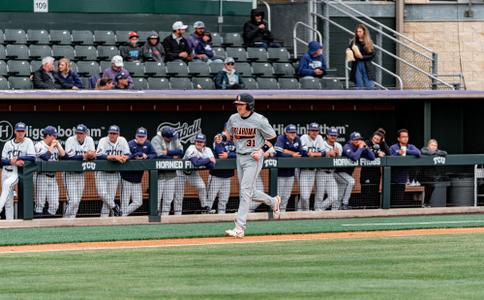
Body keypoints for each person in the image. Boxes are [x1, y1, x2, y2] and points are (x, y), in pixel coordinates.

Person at [224, 93, 281, 238]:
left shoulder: (259, 120)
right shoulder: (233, 118)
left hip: (253, 158)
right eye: (237, 104)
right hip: (239, 156)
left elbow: (272, 138)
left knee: (245, 191)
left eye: (241, 105)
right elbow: (228, 133)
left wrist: (262, 151)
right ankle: (274, 201)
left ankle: (239, 227)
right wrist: (222, 137)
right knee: (250, 191)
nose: (238, 107)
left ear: (249, 106)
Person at [0, 122, 35, 220]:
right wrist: (12, 162)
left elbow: (32, 157)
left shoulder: (28, 141)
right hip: (5, 171)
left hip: (15, 172)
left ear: (25, 132)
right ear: (15, 131)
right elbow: (2, 161)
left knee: (7, 184)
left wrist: (19, 157)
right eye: (19, 131)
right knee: (8, 200)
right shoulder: (8, 144)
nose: (20, 133)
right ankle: (9, 222)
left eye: (22, 131)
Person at [120, 128, 157, 216]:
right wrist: (134, 156)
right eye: (139, 136)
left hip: (137, 179)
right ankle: (121, 218)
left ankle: (121, 214)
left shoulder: (148, 144)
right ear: (136, 136)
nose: (141, 138)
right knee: (124, 202)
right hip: (126, 178)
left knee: (138, 202)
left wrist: (146, 156)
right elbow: (125, 156)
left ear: (146, 137)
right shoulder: (130, 144)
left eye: (143, 136)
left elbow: (155, 154)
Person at [95, 125, 130, 217]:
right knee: (102, 193)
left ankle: (104, 220)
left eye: (114, 133)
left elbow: (128, 154)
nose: (112, 135)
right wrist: (114, 157)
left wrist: (124, 157)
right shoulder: (103, 140)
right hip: (102, 173)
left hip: (115, 173)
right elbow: (98, 156)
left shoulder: (122, 140)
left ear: (118, 134)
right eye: (110, 133)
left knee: (109, 199)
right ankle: (115, 207)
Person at [63, 124, 96, 218]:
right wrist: (84, 156)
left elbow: (92, 155)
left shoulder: (89, 140)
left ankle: (72, 221)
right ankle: (65, 219)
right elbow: (69, 157)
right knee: (73, 201)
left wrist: (89, 155)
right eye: (77, 133)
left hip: (81, 174)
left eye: (81, 133)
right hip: (69, 174)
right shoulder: (70, 140)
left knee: (77, 200)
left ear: (85, 134)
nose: (79, 135)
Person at [151, 127, 184, 215]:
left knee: (168, 199)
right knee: (157, 198)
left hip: (171, 173)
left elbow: (181, 151)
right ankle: (155, 217)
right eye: (169, 138)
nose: (171, 139)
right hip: (159, 174)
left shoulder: (174, 137)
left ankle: (165, 218)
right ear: (164, 137)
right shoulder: (156, 139)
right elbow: (157, 155)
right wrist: (172, 156)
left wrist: (168, 152)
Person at [34, 126, 65, 216]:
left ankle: (48, 225)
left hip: (53, 178)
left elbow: (63, 154)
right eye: (54, 136)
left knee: (55, 205)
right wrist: (52, 146)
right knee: (39, 205)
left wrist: (58, 145)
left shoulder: (55, 145)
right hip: (41, 177)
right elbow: (45, 157)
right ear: (47, 135)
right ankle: (38, 226)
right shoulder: (39, 145)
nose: (55, 138)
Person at [340, 132, 376, 210]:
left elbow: (372, 157)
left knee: (338, 196)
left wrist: (366, 147)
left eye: (359, 139)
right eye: (356, 139)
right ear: (351, 140)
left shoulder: (360, 147)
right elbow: (354, 158)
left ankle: (338, 209)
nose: (358, 141)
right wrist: (360, 148)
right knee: (351, 181)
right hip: (338, 172)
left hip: (347, 174)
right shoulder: (347, 146)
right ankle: (344, 204)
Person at [274, 124, 306, 212]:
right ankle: (275, 212)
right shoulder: (281, 138)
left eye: (294, 132)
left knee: (287, 195)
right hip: (280, 173)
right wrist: (292, 154)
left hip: (291, 172)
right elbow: (278, 152)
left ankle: (283, 212)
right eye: (290, 132)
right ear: (286, 133)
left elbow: (301, 153)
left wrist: (286, 151)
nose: (293, 134)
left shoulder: (297, 139)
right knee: (278, 195)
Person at [182, 133, 216, 214]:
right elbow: (196, 163)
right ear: (195, 142)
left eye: (201, 142)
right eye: (197, 141)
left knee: (202, 187)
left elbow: (212, 165)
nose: (199, 143)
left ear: (204, 143)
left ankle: (204, 207)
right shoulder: (191, 148)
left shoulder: (207, 150)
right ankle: (177, 215)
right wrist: (207, 159)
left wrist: (204, 160)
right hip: (181, 172)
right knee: (179, 196)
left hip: (193, 172)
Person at [207, 126, 236, 214]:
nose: (231, 132)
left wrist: (228, 155)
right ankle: (205, 218)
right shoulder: (218, 138)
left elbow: (241, 153)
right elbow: (220, 153)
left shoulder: (235, 141)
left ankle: (221, 218)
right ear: (224, 130)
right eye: (229, 130)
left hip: (227, 176)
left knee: (224, 200)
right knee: (210, 199)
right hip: (216, 175)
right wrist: (231, 154)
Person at [299, 122, 325, 211]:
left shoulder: (320, 138)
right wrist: (317, 154)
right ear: (308, 131)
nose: (314, 132)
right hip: (302, 170)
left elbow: (324, 153)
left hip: (313, 171)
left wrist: (314, 154)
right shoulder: (304, 137)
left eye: (316, 130)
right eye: (312, 130)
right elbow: (305, 153)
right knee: (304, 196)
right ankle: (305, 211)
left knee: (306, 195)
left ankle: (301, 211)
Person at [390, 129, 421, 204]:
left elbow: (418, 153)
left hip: (405, 177)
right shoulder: (393, 147)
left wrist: (406, 151)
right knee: (395, 200)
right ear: (398, 138)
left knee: (401, 200)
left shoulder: (410, 146)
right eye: (403, 137)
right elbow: (390, 158)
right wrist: (398, 153)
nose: (405, 138)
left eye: (407, 136)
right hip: (394, 179)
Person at [360, 130, 390, 206]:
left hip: (376, 172)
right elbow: (366, 152)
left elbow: (389, 153)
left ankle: (374, 207)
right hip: (366, 172)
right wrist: (378, 153)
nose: (375, 140)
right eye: (374, 138)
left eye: (377, 139)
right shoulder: (367, 142)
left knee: (375, 191)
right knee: (366, 191)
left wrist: (383, 142)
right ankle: (365, 208)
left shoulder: (381, 145)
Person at [316, 127, 341, 211]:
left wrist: (337, 156)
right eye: (331, 135)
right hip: (321, 172)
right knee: (319, 196)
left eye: (335, 135)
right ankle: (316, 212)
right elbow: (318, 158)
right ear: (327, 135)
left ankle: (319, 210)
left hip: (331, 173)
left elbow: (338, 162)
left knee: (334, 196)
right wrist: (328, 155)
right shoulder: (322, 144)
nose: (333, 137)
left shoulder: (338, 146)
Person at [348, 24, 376, 89]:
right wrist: (349, 51)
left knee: (369, 85)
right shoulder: (354, 42)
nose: (358, 33)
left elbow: (372, 55)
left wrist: (362, 57)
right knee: (359, 84)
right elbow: (350, 52)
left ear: (364, 32)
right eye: (357, 32)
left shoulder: (369, 42)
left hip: (366, 64)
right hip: (357, 64)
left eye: (360, 31)